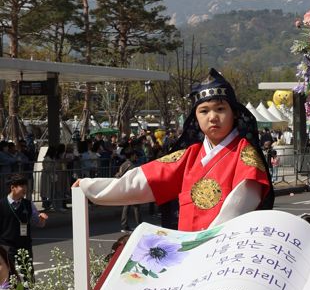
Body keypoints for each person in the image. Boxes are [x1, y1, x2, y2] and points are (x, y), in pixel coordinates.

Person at [74, 70, 273, 231]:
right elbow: (139, 182)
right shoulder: (189, 156)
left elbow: (239, 206)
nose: (212, 117)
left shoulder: (245, 155)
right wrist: (88, 187)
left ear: (235, 114)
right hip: (188, 255)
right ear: (195, 117)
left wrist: (208, 243)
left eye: (220, 109)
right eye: (204, 111)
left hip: (222, 255)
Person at [0, 174, 48, 278]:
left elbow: (38, 222)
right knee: (8, 275)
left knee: (28, 274)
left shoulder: (28, 204)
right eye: (22, 186)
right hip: (7, 245)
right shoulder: (2, 204)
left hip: (24, 244)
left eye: (26, 186)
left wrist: (42, 219)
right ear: (13, 187)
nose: (25, 189)